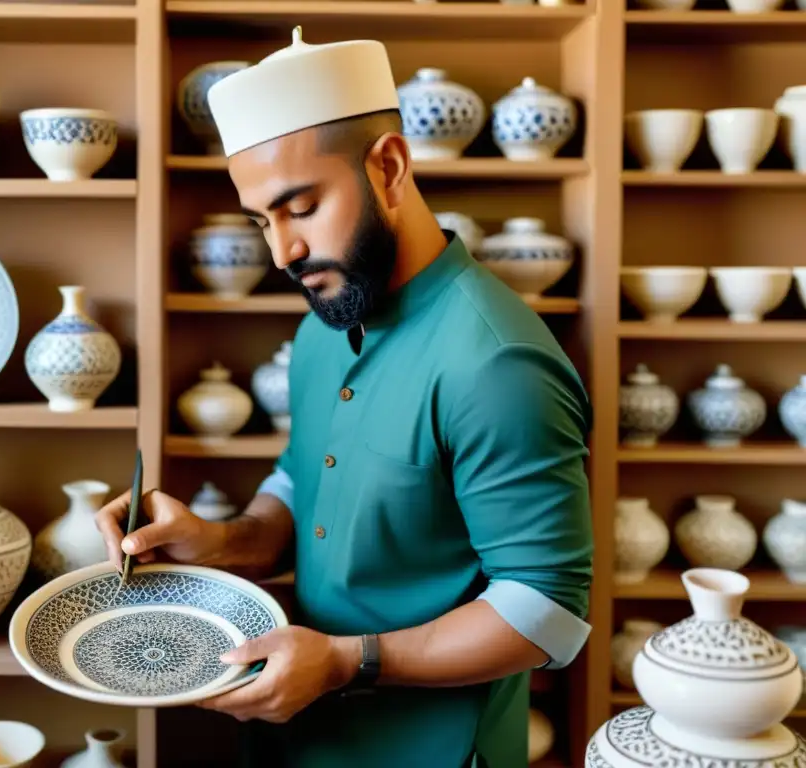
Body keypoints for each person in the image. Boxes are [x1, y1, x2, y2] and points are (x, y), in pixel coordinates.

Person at [95, 26, 594, 768]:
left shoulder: (497, 363)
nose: (282, 253)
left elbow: (546, 613)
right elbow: (306, 481)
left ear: (389, 167)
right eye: (263, 220)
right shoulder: (328, 321)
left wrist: (343, 662)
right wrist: (220, 541)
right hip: (298, 731)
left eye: (300, 207)